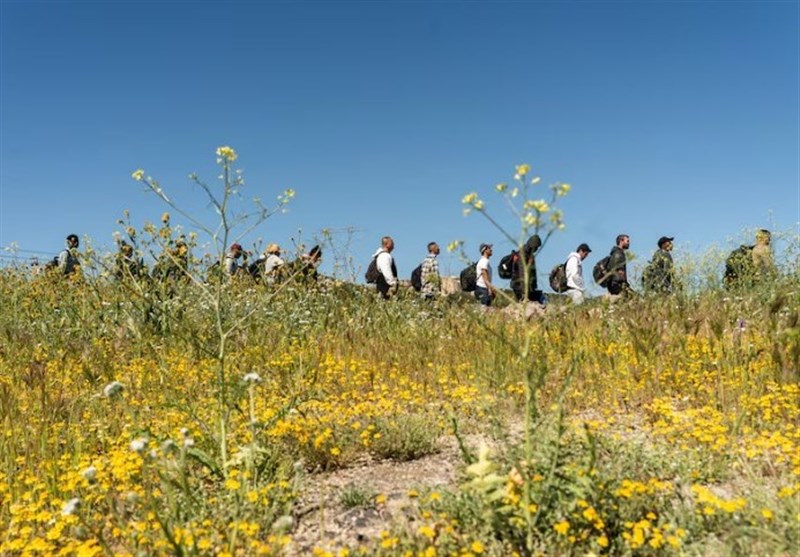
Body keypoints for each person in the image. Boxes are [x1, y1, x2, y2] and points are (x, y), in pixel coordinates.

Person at [510, 234, 543, 303]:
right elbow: (522, 274)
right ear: (532, 246)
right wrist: (524, 293)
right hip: (519, 287)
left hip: (529, 287)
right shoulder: (522, 254)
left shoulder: (530, 255)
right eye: (536, 247)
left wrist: (534, 286)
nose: (537, 249)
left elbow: (532, 273)